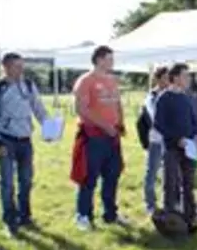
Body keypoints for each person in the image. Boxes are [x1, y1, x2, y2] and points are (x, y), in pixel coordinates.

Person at [0, 52, 49, 236]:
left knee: (26, 180)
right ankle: (10, 220)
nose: (21, 70)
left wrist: (49, 128)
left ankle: (25, 216)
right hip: (6, 140)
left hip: (25, 140)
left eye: (22, 66)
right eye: (17, 66)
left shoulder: (28, 85)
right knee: (7, 182)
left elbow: (39, 109)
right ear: (5, 67)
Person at [72, 45, 127, 231]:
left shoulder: (112, 80)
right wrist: (105, 126)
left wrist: (120, 123)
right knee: (88, 177)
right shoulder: (85, 81)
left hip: (112, 137)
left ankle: (110, 213)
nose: (112, 62)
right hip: (93, 136)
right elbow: (82, 109)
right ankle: (83, 215)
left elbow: (117, 103)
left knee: (112, 175)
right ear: (99, 59)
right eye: (110, 59)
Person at [154, 63, 197, 233]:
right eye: (185, 76)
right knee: (171, 184)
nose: (189, 79)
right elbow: (159, 124)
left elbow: (195, 121)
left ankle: (190, 219)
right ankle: (169, 221)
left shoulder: (188, 97)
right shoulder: (164, 98)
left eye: (189, 76)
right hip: (172, 148)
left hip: (189, 148)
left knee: (188, 184)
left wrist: (194, 136)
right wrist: (176, 139)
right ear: (175, 78)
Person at [137, 66, 170, 215]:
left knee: (168, 173)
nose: (169, 81)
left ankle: (168, 204)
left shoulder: (171, 94)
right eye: (166, 78)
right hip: (155, 141)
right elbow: (155, 118)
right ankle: (150, 205)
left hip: (169, 141)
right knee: (151, 173)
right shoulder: (152, 97)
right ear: (158, 79)